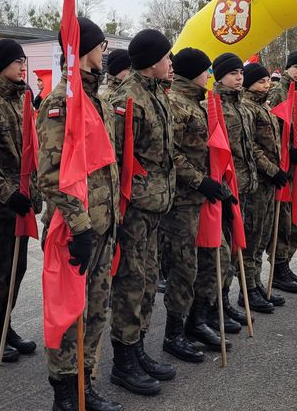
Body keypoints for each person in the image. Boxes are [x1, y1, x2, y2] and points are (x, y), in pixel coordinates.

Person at [38, 16, 122, 411]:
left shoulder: (98, 98)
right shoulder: (60, 103)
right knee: (71, 315)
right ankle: (66, 395)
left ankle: (87, 386)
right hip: (77, 229)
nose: (104, 52)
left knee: (96, 312)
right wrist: (81, 225)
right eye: (100, 45)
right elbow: (51, 176)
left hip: (103, 225)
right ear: (83, 50)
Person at [109, 29, 177, 396]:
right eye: (167, 56)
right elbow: (116, 158)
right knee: (131, 284)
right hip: (134, 208)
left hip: (155, 206)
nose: (171, 62)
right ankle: (123, 362)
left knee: (148, 281)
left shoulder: (155, 95)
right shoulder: (127, 99)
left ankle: (137, 350)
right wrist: (132, 197)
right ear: (153, 61)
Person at [160, 47, 228, 362]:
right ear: (194, 72)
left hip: (201, 198)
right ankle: (174, 333)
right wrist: (200, 180)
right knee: (183, 267)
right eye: (207, 70)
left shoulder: (197, 104)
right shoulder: (176, 104)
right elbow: (170, 154)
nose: (210, 75)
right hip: (181, 201)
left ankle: (197, 320)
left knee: (213, 257)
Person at [0, 38, 40, 363]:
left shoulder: (22, 99)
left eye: (23, 61)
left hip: (21, 202)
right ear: (1, 65)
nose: (22, 66)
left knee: (18, 266)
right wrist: (7, 193)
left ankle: (5, 325)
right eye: (17, 62)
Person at [193, 52, 254, 343]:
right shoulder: (210, 107)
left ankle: (224, 303)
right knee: (218, 253)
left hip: (241, 187)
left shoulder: (243, 107)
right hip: (221, 189)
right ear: (218, 75)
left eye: (241, 72)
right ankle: (211, 307)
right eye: (232, 73)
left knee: (232, 252)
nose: (239, 77)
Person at [240, 63, 289, 314]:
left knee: (262, 236)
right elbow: (251, 147)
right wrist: (272, 169)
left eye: (268, 81)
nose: (266, 85)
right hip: (257, 182)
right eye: (261, 82)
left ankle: (255, 283)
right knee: (252, 236)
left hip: (269, 182)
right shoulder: (248, 107)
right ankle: (247, 289)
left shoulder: (264, 106)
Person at [268, 50, 297, 294]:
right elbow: (270, 131)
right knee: (283, 221)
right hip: (282, 168)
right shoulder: (278, 93)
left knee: (295, 219)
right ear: (286, 68)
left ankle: (284, 265)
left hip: (296, 168)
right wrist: (285, 153)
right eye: (296, 66)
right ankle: (278, 267)